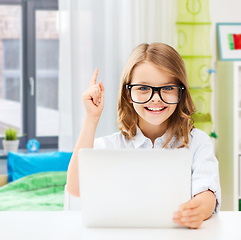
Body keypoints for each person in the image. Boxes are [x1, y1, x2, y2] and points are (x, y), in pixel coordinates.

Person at [66, 42, 221, 229]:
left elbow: (207, 193)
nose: (156, 98)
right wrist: (91, 117)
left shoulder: (197, 141)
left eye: (168, 88)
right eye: (144, 88)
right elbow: (76, 188)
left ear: (181, 91)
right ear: (128, 93)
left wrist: (199, 210)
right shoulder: (112, 146)